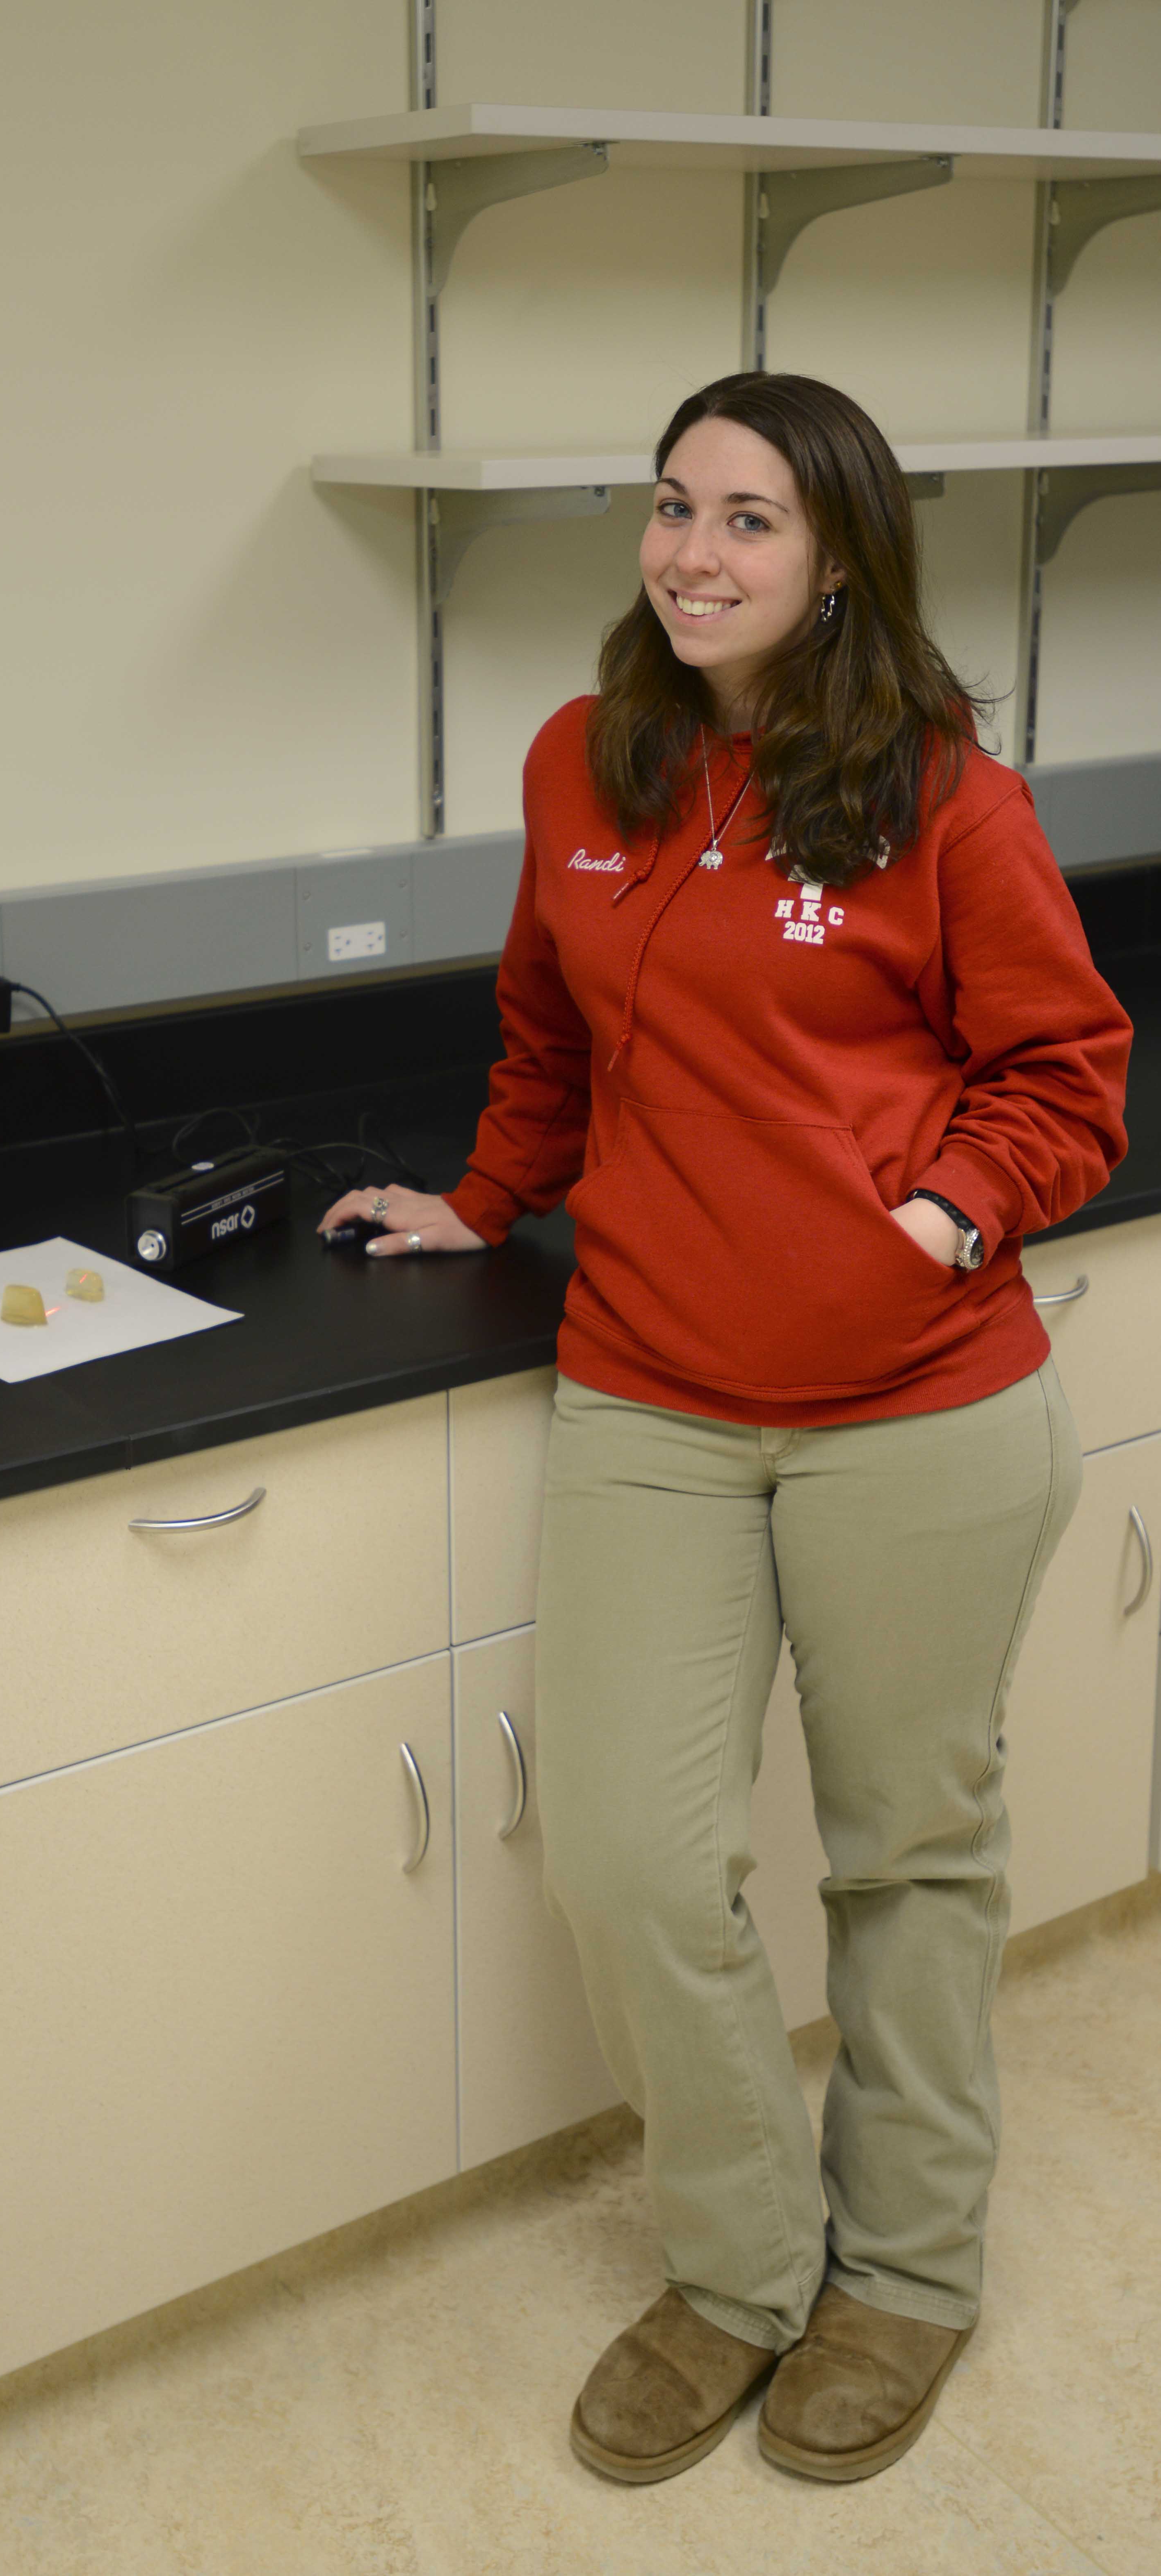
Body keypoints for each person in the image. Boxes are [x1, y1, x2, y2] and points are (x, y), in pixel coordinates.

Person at [317, 372, 1131, 2486]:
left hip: (920, 1412)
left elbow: (1067, 1068)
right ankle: (747, 2269)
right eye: (674, 506)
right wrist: (487, 1201)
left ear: (838, 554)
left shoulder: (946, 795)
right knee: (631, 1854)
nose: (694, 550)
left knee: (911, 1860)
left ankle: (912, 2279)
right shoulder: (586, 763)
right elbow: (545, 1027)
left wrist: (936, 1219)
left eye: (750, 517)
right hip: (660, 1395)